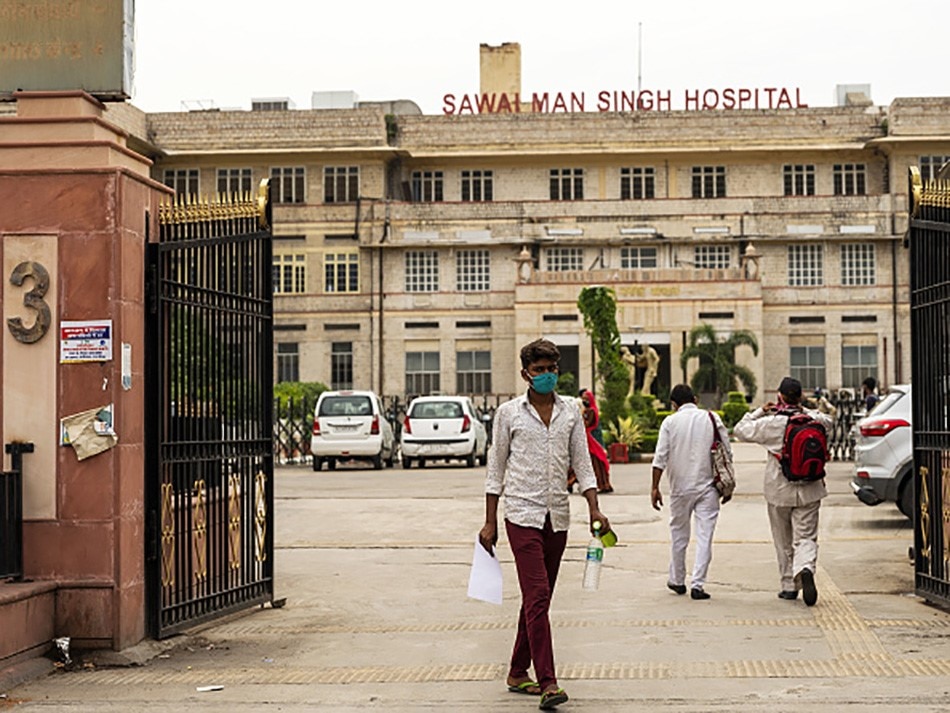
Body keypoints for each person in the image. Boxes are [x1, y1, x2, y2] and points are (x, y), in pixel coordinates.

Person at [479, 338, 609, 710]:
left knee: (539, 599)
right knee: (537, 597)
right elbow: (495, 468)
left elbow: (583, 464)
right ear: (526, 374)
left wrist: (594, 509)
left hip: (558, 517)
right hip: (521, 515)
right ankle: (548, 682)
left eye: (553, 369)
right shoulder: (509, 414)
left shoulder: (570, 411)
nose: (548, 375)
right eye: (540, 370)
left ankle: (518, 671)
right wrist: (490, 522)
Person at [733, 376, 832, 606]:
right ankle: (805, 567)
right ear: (800, 396)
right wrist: (805, 408)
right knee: (806, 536)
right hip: (811, 487)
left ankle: (789, 586)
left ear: (779, 396)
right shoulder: (813, 418)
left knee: (782, 538)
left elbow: (740, 430)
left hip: (779, 489)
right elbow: (829, 420)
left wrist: (759, 411)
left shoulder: (772, 423)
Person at [650, 384, 732, 600]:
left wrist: (654, 487)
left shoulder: (670, 422)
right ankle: (698, 584)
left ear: (673, 404)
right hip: (709, 488)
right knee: (705, 536)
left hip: (680, 489)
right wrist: (728, 484)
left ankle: (677, 580)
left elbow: (660, 457)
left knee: (679, 535)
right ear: (695, 399)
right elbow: (727, 452)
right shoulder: (712, 418)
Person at [579, 388, 613, 493]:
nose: (585, 401)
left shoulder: (592, 411)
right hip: (587, 439)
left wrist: (581, 419)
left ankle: (603, 485)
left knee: (596, 464)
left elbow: (588, 424)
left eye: (586, 399)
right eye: (583, 399)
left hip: (591, 441)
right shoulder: (587, 410)